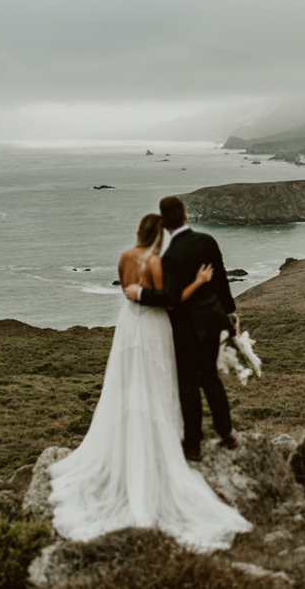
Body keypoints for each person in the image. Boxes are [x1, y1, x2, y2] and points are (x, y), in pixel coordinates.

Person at [47, 213, 251, 552]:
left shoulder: (125, 256)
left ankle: (130, 435)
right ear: (159, 236)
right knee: (158, 380)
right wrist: (199, 282)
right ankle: (164, 441)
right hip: (153, 325)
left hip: (128, 324)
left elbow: (129, 293)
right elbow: (170, 299)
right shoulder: (155, 261)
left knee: (129, 380)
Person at [124, 195, 239, 461]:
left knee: (188, 385)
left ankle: (193, 446)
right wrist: (230, 315)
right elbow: (221, 280)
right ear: (186, 216)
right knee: (211, 377)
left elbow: (171, 297)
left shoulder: (171, 256)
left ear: (164, 224)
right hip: (212, 320)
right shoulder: (208, 241)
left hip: (187, 328)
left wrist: (140, 294)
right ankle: (227, 433)